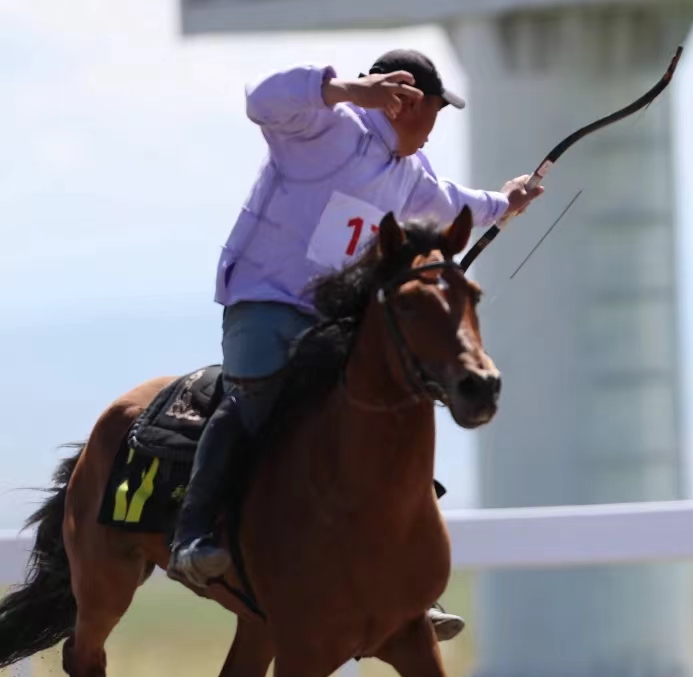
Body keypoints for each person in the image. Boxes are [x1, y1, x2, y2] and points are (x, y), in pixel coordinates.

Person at [167, 49, 544, 642]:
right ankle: (193, 537)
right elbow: (259, 99)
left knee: (386, 412)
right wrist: (348, 89)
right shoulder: (328, 126)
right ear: (406, 99)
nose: (436, 124)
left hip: (328, 322)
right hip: (264, 304)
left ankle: (405, 584)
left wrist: (507, 202)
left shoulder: (409, 175)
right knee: (256, 400)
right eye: (435, 109)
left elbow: (458, 205)